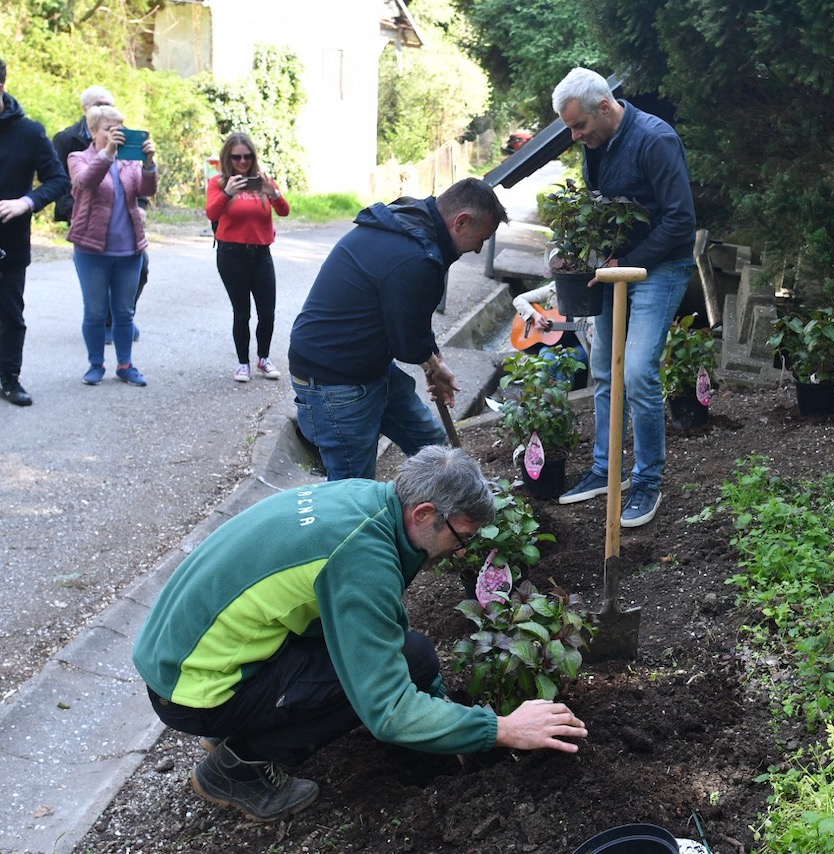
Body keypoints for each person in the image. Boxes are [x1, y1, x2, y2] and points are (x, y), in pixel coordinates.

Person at [132, 444, 588, 822]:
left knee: (413, 655)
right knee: (365, 689)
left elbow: (386, 632)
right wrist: (502, 729)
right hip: (190, 688)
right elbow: (387, 712)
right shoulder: (361, 559)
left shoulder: (368, 500)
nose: (461, 550)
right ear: (425, 513)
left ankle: (244, 723)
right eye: (462, 537)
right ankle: (239, 767)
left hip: (191, 650)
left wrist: (441, 702)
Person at [551, 67, 697, 527]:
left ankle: (647, 481)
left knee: (636, 372)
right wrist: (581, 253)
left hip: (663, 266)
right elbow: (600, 209)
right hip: (619, 266)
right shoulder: (597, 144)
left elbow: (680, 222)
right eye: (570, 128)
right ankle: (604, 469)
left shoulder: (656, 140)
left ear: (606, 107)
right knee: (604, 370)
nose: (576, 137)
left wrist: (626, 262)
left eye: (580, 126)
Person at [288, 177, 508, 480]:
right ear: (462, 222)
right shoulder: (416, 254)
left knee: (434, 448)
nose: (478, 248)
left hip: (369, 365)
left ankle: (457, 507)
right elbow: (408, 345)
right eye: (481, 239)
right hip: (334, 381)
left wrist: (436, 363)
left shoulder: (413, 225)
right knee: (353, 490)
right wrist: (431, 362)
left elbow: (411, 320)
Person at [66, 103, 156, 387]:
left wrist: (150, 163)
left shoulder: (130, 161)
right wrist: (107, 154)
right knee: (94, 311)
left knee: (124, 312)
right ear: (94, 130)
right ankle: (95, 365)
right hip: (91, 250)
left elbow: (147, 190)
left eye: (121, 128)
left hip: (129, 249)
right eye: (110, 128)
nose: (118, 133)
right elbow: (86, 182)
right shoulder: (78, 157)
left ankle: (125, 365)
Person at [53, 85, 148, 344]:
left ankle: (119, 319)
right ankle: (103, 326)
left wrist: (142, 202)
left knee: (142, 268)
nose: (104, 109)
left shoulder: (126, 143)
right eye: (98, 104)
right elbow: (63, 179)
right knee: (96, 285)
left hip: (124, 226)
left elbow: (137, 182)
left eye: (108, 103)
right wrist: (74, 210)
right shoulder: (67, 140)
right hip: (84, 214)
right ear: (86, 111)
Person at [0, 58, 70, 406]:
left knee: (10, 313)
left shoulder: (30, 132)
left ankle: (9, 379)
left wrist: (25, 202)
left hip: (10, 240)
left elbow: (58, 180)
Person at [206, 132, 289, 382]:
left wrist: (272, 192)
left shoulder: (263, 181)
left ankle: (263, 358)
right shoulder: (219, 183)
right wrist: (228, 193)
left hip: (261, 254)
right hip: (231, 255)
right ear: (227, 158)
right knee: (242, 312)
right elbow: (211, 212)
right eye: (237, 157)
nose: (242, 162)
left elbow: (284, 211)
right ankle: (243, 363)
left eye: (247, 156)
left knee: (268, 312)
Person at [512, 280, 591, 387]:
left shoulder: (590, 290)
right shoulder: (554, 288)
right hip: (554, 344)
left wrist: (593, 330)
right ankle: (544, 398)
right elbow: (519, 300)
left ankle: (563, 399)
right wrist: (535, 316)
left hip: (581, 344)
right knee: (546, 358)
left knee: (565, 363)